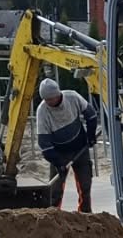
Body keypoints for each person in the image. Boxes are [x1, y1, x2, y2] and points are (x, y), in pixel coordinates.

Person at [34, 77, 99, 211]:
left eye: (52, 98)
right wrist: (58, 163)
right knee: (55, 190)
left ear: (58, 94)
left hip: (80, 147)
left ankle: (85, 214)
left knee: (85, 184)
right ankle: (53, 216)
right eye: (47, 100)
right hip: (58, 152)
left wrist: (91, 135)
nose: (50, 102)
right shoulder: (42, 111)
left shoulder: (72, 97)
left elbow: (91, 115)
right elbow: (44, 144)